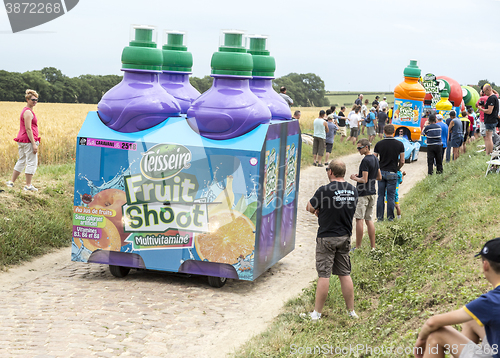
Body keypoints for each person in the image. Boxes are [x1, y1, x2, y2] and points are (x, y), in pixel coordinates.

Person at [414, 238, 500, 358]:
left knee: (437, 335)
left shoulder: (490, 301)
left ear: (485, 265)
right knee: (472, 319)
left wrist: (421, 341)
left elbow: (432, 322)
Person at [302, 160, 359, 321]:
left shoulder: (324, 190)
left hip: (327, 237)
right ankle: (351, 312)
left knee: (324, 275)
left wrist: (319, 212)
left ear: (331, 172)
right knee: (345, 274)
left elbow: (310, 207)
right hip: (345, 236)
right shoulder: (353, 190)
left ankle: (317, 313)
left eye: (328, 170)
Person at [6, 89, 41, 191]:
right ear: (27, 99)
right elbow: (28, 129)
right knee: (31, 162)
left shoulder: (25, 110)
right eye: (33, 99)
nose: (35, 101)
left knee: (21, 160)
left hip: (22, 140)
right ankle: (28, 185)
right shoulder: (28, 112)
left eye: (36, 100)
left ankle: (11, 182)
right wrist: (34, 144)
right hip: (28, 141)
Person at [350, 139, 381, 250]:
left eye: (360, 148)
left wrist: (355, 178)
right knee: (369, 219)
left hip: (363, 193)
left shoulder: (365, 161)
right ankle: (373, 247)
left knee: (359, 219)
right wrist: (363, 176)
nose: (358, 150)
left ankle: (358, 247)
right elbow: (379, 177)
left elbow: (364, 179)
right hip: (372, 192)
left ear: (366, 147)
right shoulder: (375, 158)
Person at [373, 124, 405, 222]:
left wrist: (378, 168)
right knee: (391, 197)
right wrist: (397, 168)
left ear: (384, 132)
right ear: (394, 132)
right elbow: (402, 161)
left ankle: (379, 218)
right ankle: (390, 218)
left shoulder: (379, 144)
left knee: (380, 196)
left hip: (381, 173)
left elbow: (374, 159)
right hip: (392, 172)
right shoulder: (400, 144)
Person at [478, 84, 500, 155]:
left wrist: (482, 109)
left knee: (489, 137)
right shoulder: (493, 97)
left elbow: (489, 111)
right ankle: (490, 151)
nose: (484, 93)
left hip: (490, 120)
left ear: (488, 90)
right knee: (489, 136)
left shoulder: (491, 98)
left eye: (485, 91)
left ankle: (489, 152)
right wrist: (484, 106)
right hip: (492, 120)